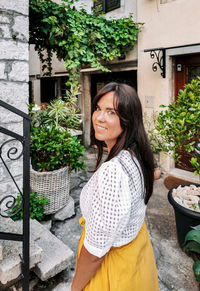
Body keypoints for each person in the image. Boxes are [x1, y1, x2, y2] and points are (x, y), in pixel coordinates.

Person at [71, 82, 159, 291]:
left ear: (128, 120)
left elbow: (94, 253)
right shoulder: (137, 154)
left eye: (111, 112)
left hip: (113, 270)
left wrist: (75, 288)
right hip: (136, 257)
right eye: (98, 108)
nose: (99, 118)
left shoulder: (113, 171)